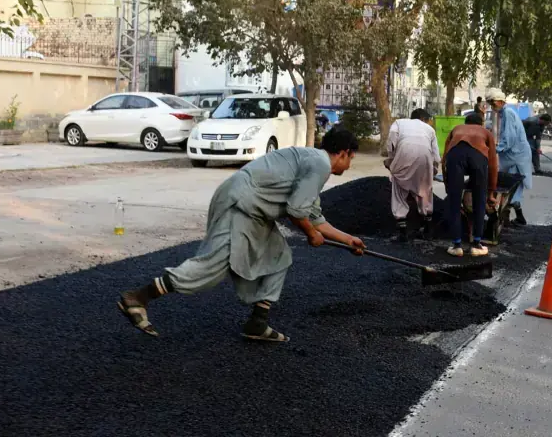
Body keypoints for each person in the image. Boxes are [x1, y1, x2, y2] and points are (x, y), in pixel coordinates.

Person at [117, 128, 366, 342]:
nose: (349, 165)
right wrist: (311, 235)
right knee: (211, 268)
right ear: (343, 153)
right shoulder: (320, 164)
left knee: (278, 257)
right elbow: (297, 211)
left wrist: (348, 239)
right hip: (240, 204)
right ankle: (137, 297)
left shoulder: (312, 163)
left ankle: (257, 322)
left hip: (252, 210)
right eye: (351, 159)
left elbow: (314, 216)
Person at [442, 111, 499, 257]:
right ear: (481, 123)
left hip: (455, 155)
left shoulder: (456, 129)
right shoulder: (486, 132)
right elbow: (493, 164)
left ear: (465, 122)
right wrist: (491, 192)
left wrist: (448, 186)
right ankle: (477, 245)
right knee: (479, 200)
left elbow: (444, 160)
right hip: (478, 157)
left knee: (454, 202)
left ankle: (456, 246)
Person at [384, 108, 441, 241]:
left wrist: (391, 159)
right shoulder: (429, 129)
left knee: (398, 189)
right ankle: (426, 229)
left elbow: (391, 141)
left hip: (403, 155)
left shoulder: (398, 123)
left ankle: (402, 232)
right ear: (423, 119)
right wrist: (432, 171)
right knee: (425, 191)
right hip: (425, 158)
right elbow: (436, 155)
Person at [489, 89, 533, 225]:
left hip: (516, 154)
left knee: (504, 182)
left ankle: (504, 215)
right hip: (514, 154)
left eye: (493, 102)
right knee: (512, 186)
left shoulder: (507, 113)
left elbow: (509, 138)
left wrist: (496, 149)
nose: (492, 106)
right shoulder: (504, 113)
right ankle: (514, 217)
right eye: (490, 103)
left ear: (501, 101)